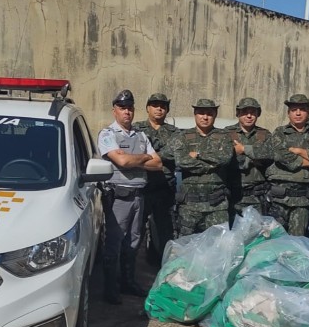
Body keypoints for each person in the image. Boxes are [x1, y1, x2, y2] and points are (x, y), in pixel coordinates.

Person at [97, 90, 162, 305]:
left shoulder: (141, 136)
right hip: (119, 197)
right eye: (123, 108)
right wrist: (143, 157)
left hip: (138, 196)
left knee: (134, 242)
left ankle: (128, 282)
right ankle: (109, 288)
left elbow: (158, 163)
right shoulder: (108, 135)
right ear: (114, 110)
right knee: (114, 243)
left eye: (130, 108)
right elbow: (121, 162)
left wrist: (134, 159)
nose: (127, 112)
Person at [161, 99, 234, 236]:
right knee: (186, 247)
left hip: (216, 207)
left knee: (218, 247)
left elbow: (224, 158)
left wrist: (197, 155)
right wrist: (211, 164)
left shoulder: (224, 137)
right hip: (189, 207)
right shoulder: (182, 137)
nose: (205, 117)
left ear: (215, 115)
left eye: (209, 113)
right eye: (201, 113)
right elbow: (181, 161)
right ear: (195, 114)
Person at [264, 93, 309, 236]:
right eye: (294, 110)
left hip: (302, 199)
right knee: (274, 239)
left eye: (302, 109)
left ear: (308, 112)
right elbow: (280, 155)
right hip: (279, 198)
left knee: (297, 241)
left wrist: (298, 150)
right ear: (288, 113)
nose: (298, 113)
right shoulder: (280, 133)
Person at [133, 93, 179, 263]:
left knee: (165, 231)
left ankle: (164, 267)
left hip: (164, 188)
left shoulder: (174, 132)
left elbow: (174, 154)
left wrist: (145, 157)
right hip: (141, 187)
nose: (159, 109)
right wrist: (153, 158)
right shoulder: (135, 129)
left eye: (163, 106)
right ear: (147, 108)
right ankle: (130, 270)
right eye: (155, 105)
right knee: (135, 230)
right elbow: (132, 153)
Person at [225, 97, 274, 218]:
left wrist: (243, 150)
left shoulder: (265, 134)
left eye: (253, 112)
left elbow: (270, 154)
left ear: (258, 114)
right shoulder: (226, 133)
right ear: (238, 113)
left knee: (257, 233)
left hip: (257, 195)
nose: (249, 116)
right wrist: (254, 155)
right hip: (234, 195)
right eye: (245, 112)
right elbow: (222, 157)